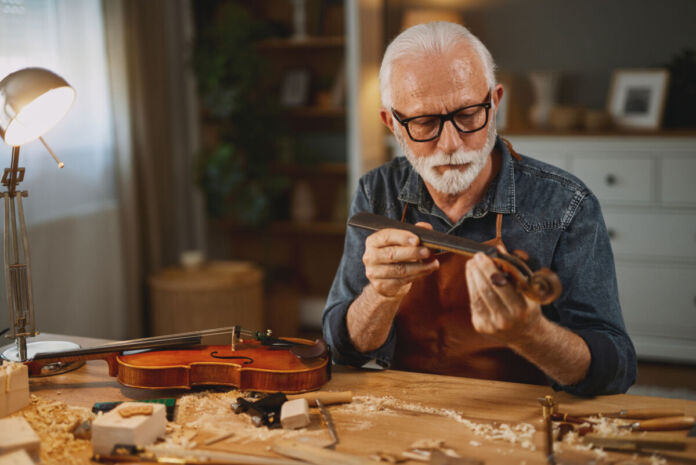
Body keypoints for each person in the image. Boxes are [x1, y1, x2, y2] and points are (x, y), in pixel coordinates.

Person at [322, 22, 636, 396]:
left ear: (495, 101)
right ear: (392, 123)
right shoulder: (377, 192)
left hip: (524, 420)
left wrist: (531, 334)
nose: (452, 144)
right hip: (408, 413)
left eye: (469, 114)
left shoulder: (567, 204)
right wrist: (380, 295)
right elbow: (340, 350)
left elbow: (616, 369)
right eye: (425, 123)